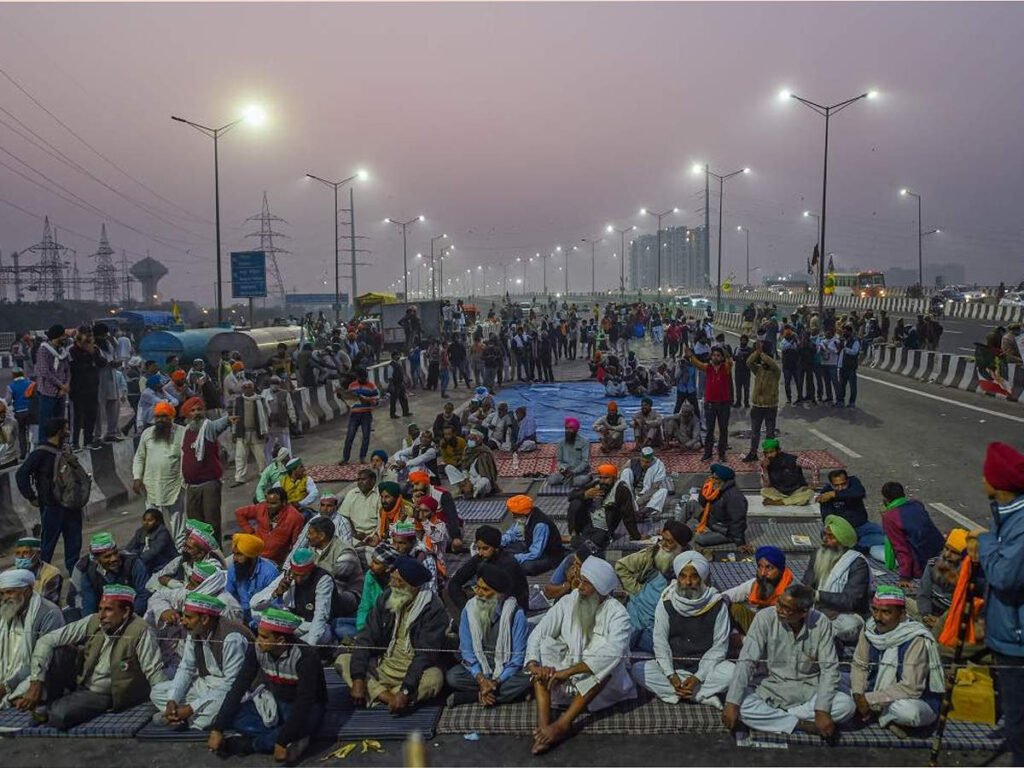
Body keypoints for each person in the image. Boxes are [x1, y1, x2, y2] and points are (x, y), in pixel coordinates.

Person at [525, 557, 636, 755]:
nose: (580, 587)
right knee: (545, 647)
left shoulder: (618, 614)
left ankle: (562, 725)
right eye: (580, 580)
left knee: (605, 667)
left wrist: (568, 672)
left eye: (586, 583)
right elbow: (539, 632)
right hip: (564, 675)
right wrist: (534, 664)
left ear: (601, 589)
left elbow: (613, 653)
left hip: (597, 685)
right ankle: (543, 725)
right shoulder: (569, 601)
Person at [21, 584, 165, 730]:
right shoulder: (94, 621)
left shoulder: (140, 630)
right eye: (100, 608)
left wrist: (165, 705)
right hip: (82, 680)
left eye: (108, 610)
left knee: (60, 715)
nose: (101, 615)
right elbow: (47, 640)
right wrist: (36, 681)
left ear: (126, 612)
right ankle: (53, 703)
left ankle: (51, 708)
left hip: (106, 692)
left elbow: (153, 671)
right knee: (59, 651)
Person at [722, 583, 855, 738]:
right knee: (741, 705)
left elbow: (829, 669)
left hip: (808, 692)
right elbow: (747, 660)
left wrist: (822, 709)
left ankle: (778, 719)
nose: (779, 610)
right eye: (779, 603)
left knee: (846, 706)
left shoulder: (821, 623)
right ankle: (800, 724)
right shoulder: (765, 617)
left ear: (804, 612)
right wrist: (732, 703)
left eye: (786, 609)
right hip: (771, 689)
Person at [967, 441, 1024, 765]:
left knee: (1019, 728)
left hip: (1018, 642)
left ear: (998, 483)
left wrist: (983, 542)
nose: (981, 481)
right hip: (1007, 635)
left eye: (986, 475)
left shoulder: (1020, 524)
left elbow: (1005, 575)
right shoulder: (1006, 516)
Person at [210, 608, 326, 762]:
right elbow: (239, 686)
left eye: (264, 637)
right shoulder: (257, 649)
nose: (258, 640)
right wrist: (218, 728)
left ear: (280, 641)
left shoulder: (305, 657)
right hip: (276, 700)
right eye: (258, 635)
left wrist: (281, 740)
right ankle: (287, 739)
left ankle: (252, 744)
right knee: (237, 717)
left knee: (302, 724)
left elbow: (304, 702)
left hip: (306, 707)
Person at [336, 556, 448, 712]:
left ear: (413, 587)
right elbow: (367, 636)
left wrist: (406, 690)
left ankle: (380, 695)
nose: (392, 584)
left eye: (399, 582)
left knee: (435, 678)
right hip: (384, 665)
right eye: (392, 579)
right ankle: (389, 698)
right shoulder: (387, 597)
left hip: (414, 672)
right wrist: (358, 678)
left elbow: (424, 655)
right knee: (343, 660)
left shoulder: (433, 609)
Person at [631, 551, 734, 706]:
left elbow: (719, 648)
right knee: (639, 669)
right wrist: (671, 675)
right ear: (677, 577)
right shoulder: (667, 601)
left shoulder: (716, 604)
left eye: (694, 576)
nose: (688, 582)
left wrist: (697, 677)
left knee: (733, 673)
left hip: (705, 669)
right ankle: (700, 695)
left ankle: (683, 693)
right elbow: (660, 642)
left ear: (702, 578)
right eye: (683, 576)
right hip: (675, 667)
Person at [150, 591, 257, 731]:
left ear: (204, 619)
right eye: (183, 616)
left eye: (188, 617)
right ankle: (183, 716)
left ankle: (185, 719)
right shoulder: (194, 631)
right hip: (206, 684)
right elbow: (186, 668)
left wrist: (191, 708)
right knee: (157, 692)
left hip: (234, 690)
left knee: (214, 710)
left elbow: (232, 684)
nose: (183, 621)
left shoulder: (232, 638)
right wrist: (172, 700)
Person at [850, 585, 945, 737]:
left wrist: (867, 699)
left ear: (901, 614)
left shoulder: (915, 638)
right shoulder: (870, 629)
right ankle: (883, 716)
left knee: (908, 713)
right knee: (836, 686)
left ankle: (881, 714)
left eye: (886, 612)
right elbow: (859, 665)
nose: (878, 617)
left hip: (912, 699)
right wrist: (857, 693)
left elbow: (911, 688)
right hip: (874, 691)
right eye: (875, 610)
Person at [446, 563, 532, 707]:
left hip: (506, 668)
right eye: (477, 587)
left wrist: (495, 681)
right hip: (481, 665)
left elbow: (517, 658)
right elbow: (467, 651)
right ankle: (495, 694)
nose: (478, 593)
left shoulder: (516, 615)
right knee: (453, 677)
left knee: (527, 678)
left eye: (485, 590)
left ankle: (474, 696)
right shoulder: (470, 609)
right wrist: (481, 679)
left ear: (500, 594)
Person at [15, 418, 83, 576]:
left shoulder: (57, 451)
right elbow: (21, 475)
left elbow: (22, 475)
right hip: (58, 507)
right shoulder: (42, 453)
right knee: (52, 547)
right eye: (65, 428)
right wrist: (31, 496)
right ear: (59, 431)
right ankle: (42, 579)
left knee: (56, 546)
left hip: (62, 506)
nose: (68, 431)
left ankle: (71, 578)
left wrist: (32, 497)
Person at [0, 569, 65, 709]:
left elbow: (42, 657)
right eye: (2, 593)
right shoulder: (5, 610)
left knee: (26, 691)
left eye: (10, 592)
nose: (5, 598)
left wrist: (6, 686)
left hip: (40, 670)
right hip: (8, 670)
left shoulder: (49, 613)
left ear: (28, 591)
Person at [801, 515, 871, 644]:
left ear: (842, 540)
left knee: (849, 626)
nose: (825, 540)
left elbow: (850, 601)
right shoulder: (817, 555)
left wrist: (818, 595)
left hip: (845, 614)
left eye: (831, 537)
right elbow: (807, 584)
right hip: (818, 610)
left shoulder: (857, 563)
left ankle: (817, 636)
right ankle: (820, 635)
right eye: (825, 535)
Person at [250, 548, 337, 646]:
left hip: (310, 625)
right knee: (256, 613)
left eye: (303, 576)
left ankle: (295, 646)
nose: (298, 580)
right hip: (292, 622)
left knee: (324, 633)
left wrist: (308, 648)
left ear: (311, 570)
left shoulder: (323, 580)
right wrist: (275, 593)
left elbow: (320, 616)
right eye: (296, 575)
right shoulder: (288, 575)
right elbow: (254, 604)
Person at [180, 397, 234, 544]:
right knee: (194, 525)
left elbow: (217, 425)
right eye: (193, 410)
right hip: (191, 487)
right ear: (187, 414)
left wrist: (227, 420)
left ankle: (215, 554)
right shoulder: (185, 432)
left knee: (211, 523)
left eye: (199, 409)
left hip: (209, 484)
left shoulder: (207, 427)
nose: (197, 413)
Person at [132, 401, 186, 546]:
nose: (160, 420)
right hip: (151, 485)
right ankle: (155, 548)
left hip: (174, 484)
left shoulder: (182, 432)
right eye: (157, 417)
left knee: (178, 522)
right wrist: (137, 477)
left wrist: (184, 481)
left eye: (164, 416)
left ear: (171, 417)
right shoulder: (147, 434)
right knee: (152, 521)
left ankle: (179, 552)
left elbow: (186, 457)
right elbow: (139, 457)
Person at [446, 525, 529, 615]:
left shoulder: (509, 565)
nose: (480, 552)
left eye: (485, 548)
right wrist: (467, 609)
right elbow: (455, 583)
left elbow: (514, 597)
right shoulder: (481, 558)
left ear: (496, 548)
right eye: (478, 548)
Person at [880, 482, 945, 585]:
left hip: (920, 564)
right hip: (940, 554)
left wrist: (904, 577)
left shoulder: (890, 517)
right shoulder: (916, 504)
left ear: (886, 499)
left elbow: (901, 548)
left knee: (874, 549)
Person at [76, 532, 151, 617]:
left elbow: (144, 595)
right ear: (96, 560)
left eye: (115, 553)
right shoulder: (89, 573)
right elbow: (89, 606)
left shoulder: (133, 564)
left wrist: (124, 617)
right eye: (107, 556)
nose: (114, 559)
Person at [815, 470, 885, 560]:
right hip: (845, 532)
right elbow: (828, 518)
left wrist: (835, 494)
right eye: (836, 486)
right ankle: (854, 547)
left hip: (862, 525)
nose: (840, 488)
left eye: (843, 484)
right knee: (882, 540)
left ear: (847, 481)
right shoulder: (825, 494)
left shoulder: (853, 483)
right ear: (831, 484)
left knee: (890, 534)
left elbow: (859, 493)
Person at [614, 521, 692, 595]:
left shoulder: (691, 561)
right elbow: (621, 566)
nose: (663, 544)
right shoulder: (650, 554)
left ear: (680, 545)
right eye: (663, 538)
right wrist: (637, 591)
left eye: (669, 541)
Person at [234, 487, 306, 567]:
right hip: (253, 552)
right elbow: (239, 513)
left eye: (273, 503)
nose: (268, 506)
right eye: (267, 502)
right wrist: (250, 532)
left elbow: (295, 543)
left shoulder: (295, 518)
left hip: (273, 561)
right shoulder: (262, 507)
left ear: (284, 503)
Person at [914, 529, 968, 629]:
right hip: (928, 612)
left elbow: (960, 610)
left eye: (954, 552)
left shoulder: (968, 579)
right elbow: (923, 594)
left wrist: (941, 623)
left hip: (950, 621)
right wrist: (926, 615)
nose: (947, 555)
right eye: (946, 549)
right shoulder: (932, 564)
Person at [500, 495, 566, 576]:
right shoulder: (522, 518)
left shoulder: (540, 525)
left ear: (524, 514)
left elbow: (536, 553)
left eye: (515, 514)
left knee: (527, 566)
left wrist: (516, 558)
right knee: (504, 549)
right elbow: (512, 534)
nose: (513, 517)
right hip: (529, 546)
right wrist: (498, 542)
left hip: (547, 556)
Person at [225, 534, 279, 628]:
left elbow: (275, 606)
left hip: (264, 623)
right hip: (241, 621)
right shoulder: (234, 570)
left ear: (252, 557)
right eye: (234, 554)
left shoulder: (269, 573)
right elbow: (228, 597)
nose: (234, 559)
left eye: (239, 554)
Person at [689, 463, 748, 548]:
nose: (712, 481)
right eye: (711, 477)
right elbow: (702, 503)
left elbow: (738, 521)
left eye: (715, 479)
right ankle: (674, 529)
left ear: (723, 481)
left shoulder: (734, 497)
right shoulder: (715, 488)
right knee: (691, 504)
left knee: (699, 538)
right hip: (712, 521)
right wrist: (705, 488)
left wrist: (739, 542)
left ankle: (725, 538)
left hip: (725, 531)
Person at [689, 346, 732, 462]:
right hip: (710, 404)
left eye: (718, 355)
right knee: (709, 430)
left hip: (724, 404)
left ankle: (721, 454)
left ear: (722, 357)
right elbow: (698, 364)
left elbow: (730, 361)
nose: (715, 357)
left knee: (723, 430)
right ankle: (708, 453)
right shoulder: (708, 367)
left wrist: (726, 354)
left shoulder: (726, 367)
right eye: (713, 355)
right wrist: (691, 356)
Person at [742, 342, 781, 463]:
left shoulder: (775, 371)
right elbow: (749, 362)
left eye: (765, 359)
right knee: (755, 432)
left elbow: (773, 364)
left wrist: (762, 354)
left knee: (770, 433)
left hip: (770, 406)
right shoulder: (758, 370)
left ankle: (771, 455)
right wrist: (757, 353)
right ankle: (753, 453)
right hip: (757, 406)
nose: (763, 362)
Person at [231, 381, 269, 485]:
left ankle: (264, 475)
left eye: (249, 387)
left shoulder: (260, 399)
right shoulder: (238, 401)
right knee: (240, 457)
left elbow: (266, 416)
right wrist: (234, 432)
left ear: (253, 388)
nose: (247, 389)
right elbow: (234, 417)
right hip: (242, 433)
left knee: (261, 456)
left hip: (257, 432)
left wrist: (266, 431)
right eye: (245, 387)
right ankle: (240, 478)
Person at [619, 446, 672, 521]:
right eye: (642, 461)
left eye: (647, 462)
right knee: (626, 471)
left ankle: (644, 512)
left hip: (647, 495)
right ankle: (628, 504)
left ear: (652, 459)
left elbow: (655, 488)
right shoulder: (632, 461)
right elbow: (620, 474)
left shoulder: (659, 466)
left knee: (663, 491)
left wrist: (638, 502)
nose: (644, 464)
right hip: (632, 494)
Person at [356, 542, 399, 632]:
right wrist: (362, 629)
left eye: (376, 563)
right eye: (372, 560)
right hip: (371, 622)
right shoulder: (370, 575)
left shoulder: (398, 583)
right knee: (338, 624)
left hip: (387, 627)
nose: (370, 565)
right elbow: (365, 606)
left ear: (388, 568)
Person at [340, 367, 379, 464]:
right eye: (360, 378)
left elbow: (376, 401)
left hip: (366, 413)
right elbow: (349, 400)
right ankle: (345, 458)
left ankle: (362, 457)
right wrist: (342, 396)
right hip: (354, 413)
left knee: (366, 437)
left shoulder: (372, 386)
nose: (362, 380)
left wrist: (364, 399)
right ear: (357, 377)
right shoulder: (352, 385)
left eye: (364, 378)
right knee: (350, 437)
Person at [10, 537, 62, 606]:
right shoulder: (10, 573)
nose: (21, 556)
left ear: (38, 554)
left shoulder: (51, 574)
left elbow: (49, 604)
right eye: (18, 553)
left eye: (26, 553)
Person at [447, 431, 500, 499]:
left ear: (478, 440)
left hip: (479, 480)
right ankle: (465, 489)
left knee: (485, 480)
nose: (470, 441)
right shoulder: (467, 450)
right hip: (468, 479)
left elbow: (487, 474)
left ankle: (473, 492)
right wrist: (467, 480)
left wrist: (472, 483)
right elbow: (464, 467)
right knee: (449, 468)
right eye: (469, 439)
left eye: (472, 439)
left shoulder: (485, 453)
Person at [124, 508, 178, 575]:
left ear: (157, 521)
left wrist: (137, 562)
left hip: (164, 564)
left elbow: (153, 552)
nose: (146, 523)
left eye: (150, 520)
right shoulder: (140, 532)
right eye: (144, 520)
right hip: (147, 563)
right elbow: (130, 547)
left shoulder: (163, 533)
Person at [759, 439, 813, 506]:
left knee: (809, 493)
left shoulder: (792, 459)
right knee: (763, 491)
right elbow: (765, 485)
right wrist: (765, 469)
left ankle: (779, 502)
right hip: (779, 492)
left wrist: (814, 484)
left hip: (796, 490)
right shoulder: (765, 463)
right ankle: (790, 501)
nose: (769, 455)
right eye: (766, 453)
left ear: (778, 450)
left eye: (772, 452)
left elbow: (813, 465)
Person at [547, 417, 591, 488]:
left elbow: (585, 462)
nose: (568, 430)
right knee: (552, 479)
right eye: (566, 428)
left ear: (576, 430)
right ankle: (568, 480)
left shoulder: (585, 442)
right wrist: (562, 469)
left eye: (570, 428)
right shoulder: (561, 443)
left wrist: (574, 472)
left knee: (578, 482)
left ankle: (587, 477)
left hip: (580, 472)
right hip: (565, 472)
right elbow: (559, 460)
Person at [339, 468, 381, 543]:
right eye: (358, 480)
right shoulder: (352, 493)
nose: (360, 482)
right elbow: (344, 516)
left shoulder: (379, 495)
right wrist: (354, 534)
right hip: (354, 535)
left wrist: (373, 535)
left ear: (373, 481)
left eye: (363, 479)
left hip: (375, 535)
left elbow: (381, 520)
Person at [836, 325, 862, 408]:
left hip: (851, 367)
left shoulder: (855, 341)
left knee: (852, 386)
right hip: (842, 366)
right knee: (841, 385)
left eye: (845, 332)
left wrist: (845, 348)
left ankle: (852, 402)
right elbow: (839, 353)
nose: (844, 333)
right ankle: (840, 401)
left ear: (850, 332)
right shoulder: (842, 341)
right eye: (843, 331)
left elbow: (854, 352)